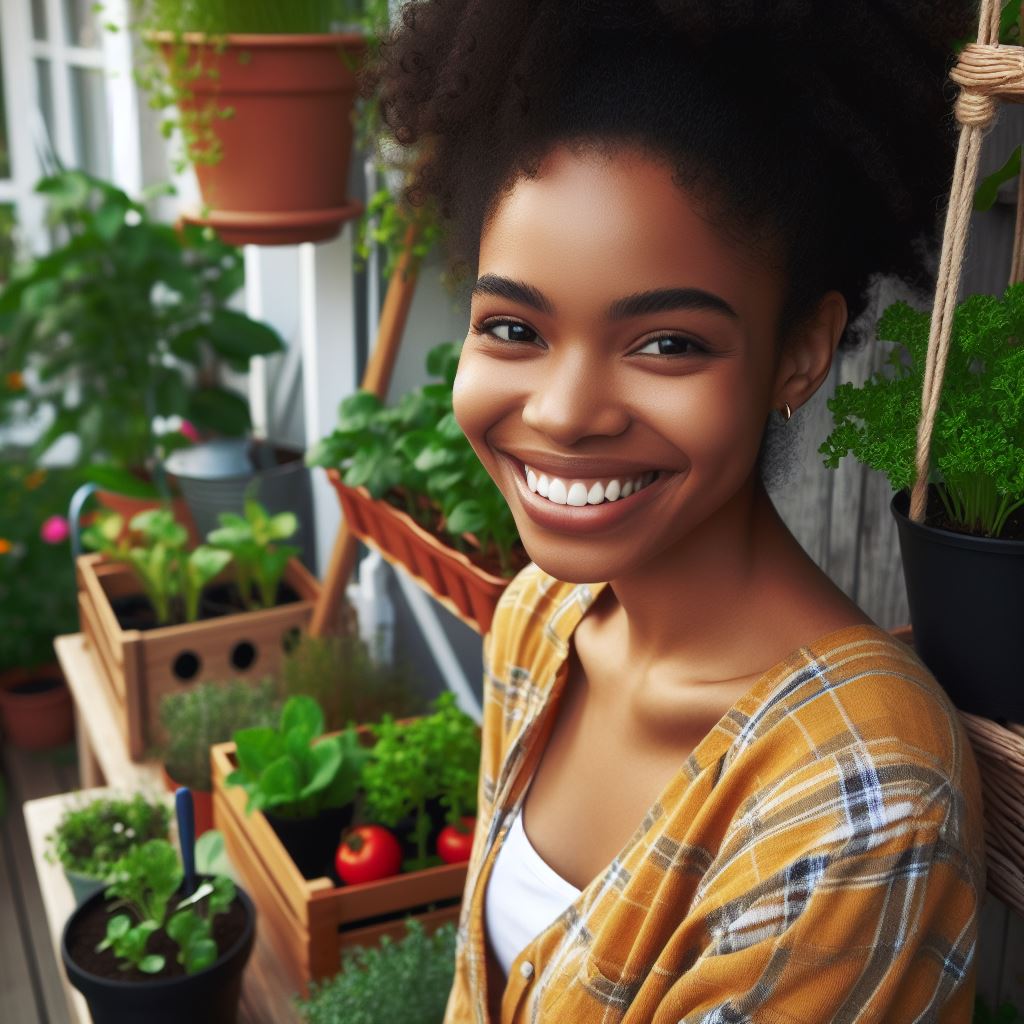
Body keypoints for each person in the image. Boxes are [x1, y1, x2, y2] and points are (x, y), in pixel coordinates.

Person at [366, 2, 987, 1020]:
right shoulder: (540, 621)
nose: (563, 414)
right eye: (513, 326)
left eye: (665, 344)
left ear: (799, 349)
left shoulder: (857, 798)